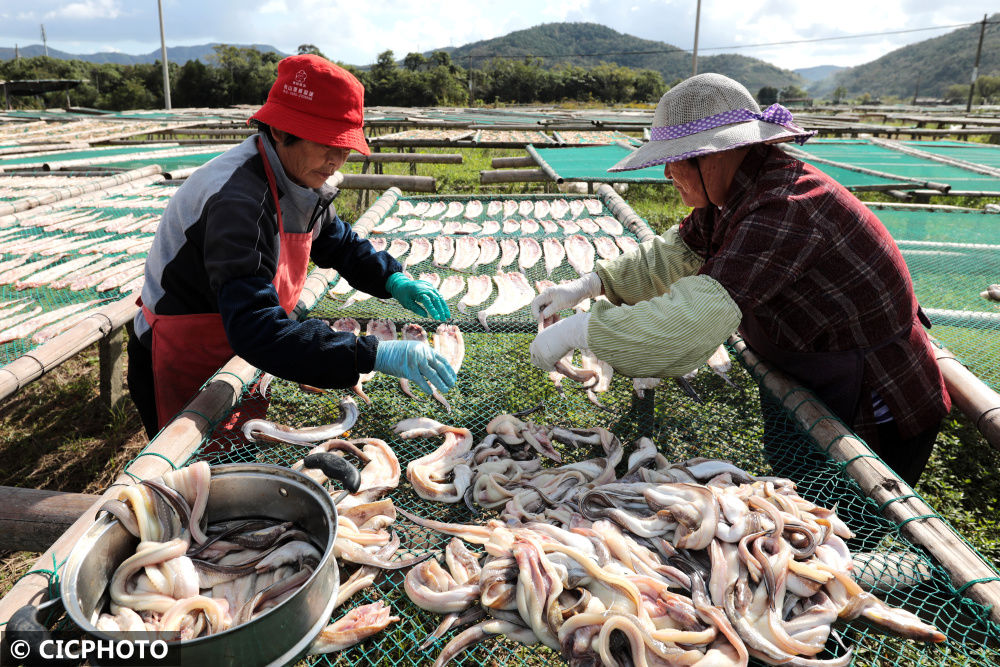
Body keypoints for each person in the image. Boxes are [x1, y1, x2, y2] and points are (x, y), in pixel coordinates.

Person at [529, 73, 950, 486]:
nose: (666, 175)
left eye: (673, 160)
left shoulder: (784, 208)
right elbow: (671, 255)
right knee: (794, 493)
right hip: (807, 373)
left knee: (836, 531)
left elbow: (688, 325)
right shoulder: (734, 195)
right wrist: (588, 286)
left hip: (871, 402)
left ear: (712, 156)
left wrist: (583, 330)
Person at [127, 54, 456, 438]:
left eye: (345, 146)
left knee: (240, 449)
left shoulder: (298, 177)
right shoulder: (239, 203)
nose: (336, 160)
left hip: (239, 342)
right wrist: (370, 353)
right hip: (186, 353)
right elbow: (255, 327)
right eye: (326, 144)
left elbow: (337, 241)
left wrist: (393, 279)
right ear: (282, 132)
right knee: (198, 480)